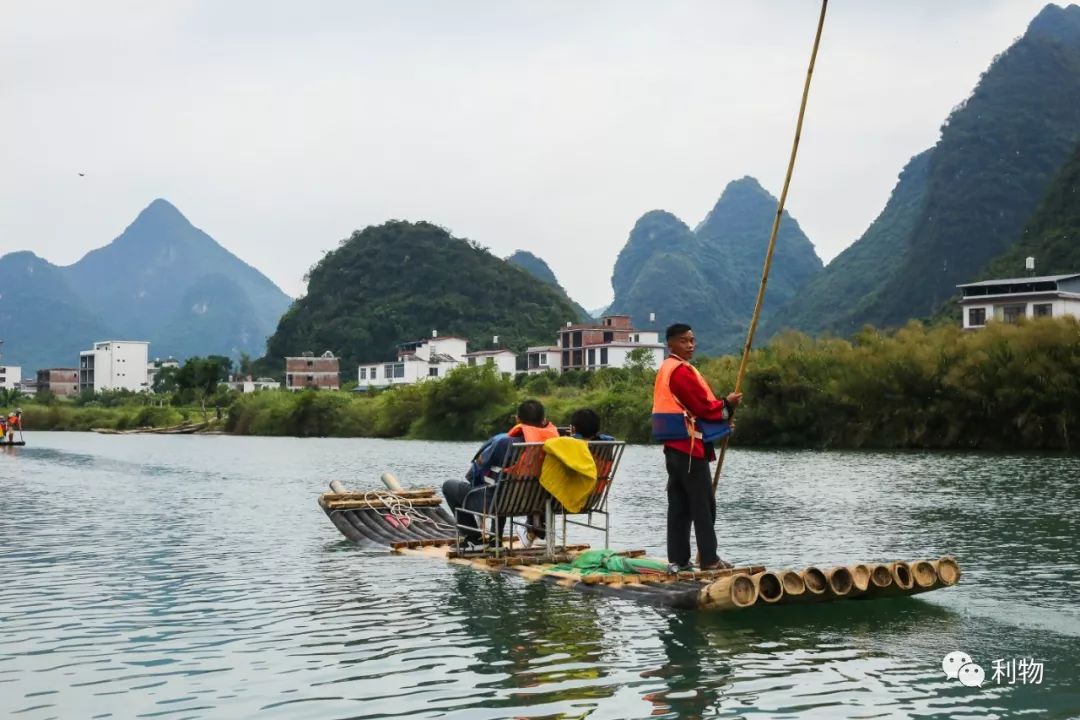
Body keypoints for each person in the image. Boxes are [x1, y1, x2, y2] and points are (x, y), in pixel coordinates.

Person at [652, 323, 742, 571]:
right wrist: (728, 405)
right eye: (683, 341)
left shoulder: (666, 369)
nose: (690, 345)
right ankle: (709, 559)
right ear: (670, 344)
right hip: (689, 448)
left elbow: (691, 409)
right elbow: (704, 408)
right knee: (702, 503)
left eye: (692, 340)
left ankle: (679, 560)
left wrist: (723, 419)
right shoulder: (680, 371)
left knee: (679, 503)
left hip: (674, 447)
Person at [443, 399, 559, 548]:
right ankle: (495, 538)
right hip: (536, 503)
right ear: (543, 420)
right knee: (501, 482)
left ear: (517, 419)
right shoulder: (553, 444)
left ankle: (473, 538)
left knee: (449, 486)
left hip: (498, 502)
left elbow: (478, 469)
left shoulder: (504, 442)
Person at [516, 408, 615, 548]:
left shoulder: (567, 446)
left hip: (561, 500)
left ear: (573, 428)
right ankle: (533, 530)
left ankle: (533, 529)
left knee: (543, 482)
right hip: (591, 498)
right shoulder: (606, 446)